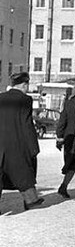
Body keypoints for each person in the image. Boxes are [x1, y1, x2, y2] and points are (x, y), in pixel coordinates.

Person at [0, 72, 43, 210]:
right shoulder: (25, 100)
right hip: (17, 144)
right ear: (24, 84)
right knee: (23, 173)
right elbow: (27, 125)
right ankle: (31, 200)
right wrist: (33, 147)